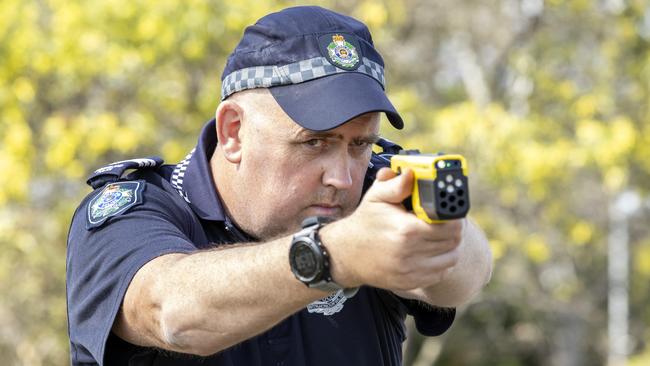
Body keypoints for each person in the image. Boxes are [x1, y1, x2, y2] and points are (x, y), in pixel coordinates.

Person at [66, 5, 492, 366]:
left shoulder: (373, 190)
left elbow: (465, 276)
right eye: (314, 142)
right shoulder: (134, 210)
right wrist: (332, 256)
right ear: (233, 132)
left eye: (360, 144)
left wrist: (438, 228)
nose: (342, 178)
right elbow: (173, 313)